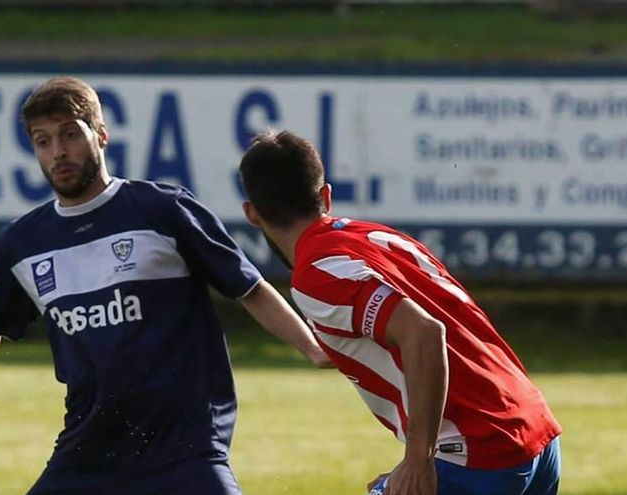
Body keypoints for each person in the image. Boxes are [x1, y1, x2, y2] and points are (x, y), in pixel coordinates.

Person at [0, 77, 329, 495]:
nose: (57, 152)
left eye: (69, 135)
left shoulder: (163, 210)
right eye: (42, 141)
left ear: (100, 135)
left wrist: (311, 348)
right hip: (87, 456)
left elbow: (248, 288)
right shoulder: (23, 244)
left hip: (184, 452)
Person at [238, 130, 563, 495]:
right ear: (325, 196)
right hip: (533, 428)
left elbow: (424, 333)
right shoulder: (380, 238)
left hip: (479, 453)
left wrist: (418, 459)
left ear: (252, 213)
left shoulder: (317, 273)